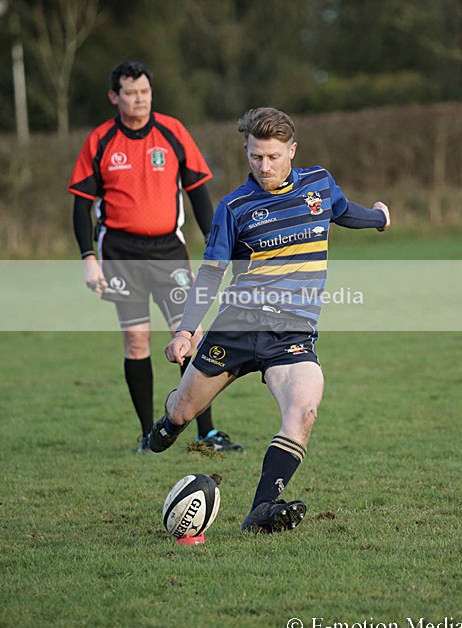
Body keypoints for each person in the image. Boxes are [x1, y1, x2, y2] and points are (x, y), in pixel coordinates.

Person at [148, 106, 390, 533]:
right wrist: (186, 330)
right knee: (185, 412)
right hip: (238, 328)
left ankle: (261, 511)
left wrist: (379, 218)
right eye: (256, 156)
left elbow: (345, 210)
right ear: (246, 150)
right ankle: (167, 421)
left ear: (292, 151)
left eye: (274, 157)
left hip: (292, 333)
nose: (264, 166)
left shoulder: (318, 185)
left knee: (304, 409)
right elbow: (210, 272)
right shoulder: (234, 208)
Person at [67, 60, 243, 454]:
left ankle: (207, 431)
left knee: (190, 335)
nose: (139, 99)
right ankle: (150, 434)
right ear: (115, 97)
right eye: (130, 93)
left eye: (144, 92)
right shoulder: (100, 141)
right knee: (136, 341)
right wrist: (87, 257)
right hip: (120, 254)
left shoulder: (173, 132)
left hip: (168, 252)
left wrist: (221, 246)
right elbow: (81, 205)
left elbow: (198, 193)